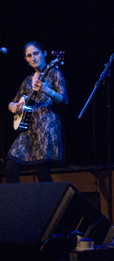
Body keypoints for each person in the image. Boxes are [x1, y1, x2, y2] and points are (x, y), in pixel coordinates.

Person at [6, 41, 68, 183]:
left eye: (36, 53)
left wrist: (47, 90)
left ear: (44, 53)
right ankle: (18, 204)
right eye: (29, 56)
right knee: (11, 168)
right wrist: (13, 106)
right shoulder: (27, 80)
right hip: (28, 129)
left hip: (46, 127)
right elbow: (12, 102)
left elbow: (64, 99)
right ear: (26, 60)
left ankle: (51, 204)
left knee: (42, 173)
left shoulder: (54, 73)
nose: (33, 58)